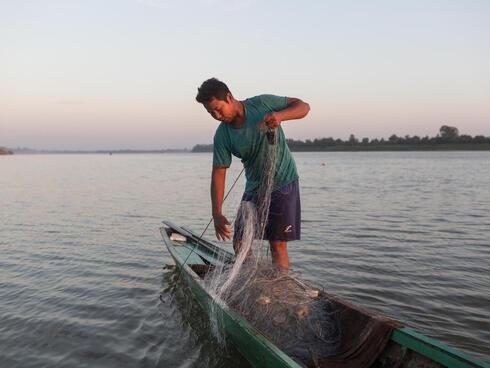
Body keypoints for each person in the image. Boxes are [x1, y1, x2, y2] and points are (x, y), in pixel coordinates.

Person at [196, 78, 310, 270]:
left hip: (283, 183)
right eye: (210, 112)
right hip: (254, 188)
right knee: (239, 242)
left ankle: (281, 289)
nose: (216, 115)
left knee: (277, 244)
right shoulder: (222, 135)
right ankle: (250, 282)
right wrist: (216, 213)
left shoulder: (262, 103)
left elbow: (304, 107)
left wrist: (281, 115)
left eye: (218, 109)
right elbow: (218, 173)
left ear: (229, 97)